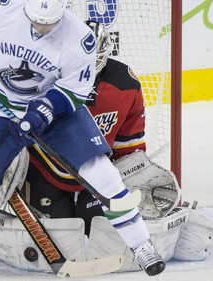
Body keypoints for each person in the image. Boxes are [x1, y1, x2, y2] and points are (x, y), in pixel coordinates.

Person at [0, 0, 165, 280]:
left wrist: (45, 110)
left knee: (102, 174)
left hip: (57, 113)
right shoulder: (7, 7)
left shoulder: (80, 39)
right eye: (35, 20)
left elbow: (73, 92)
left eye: (49, 23)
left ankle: (142, 246)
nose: (41, 27)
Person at [23, 20, 147, 236]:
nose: (88, 66)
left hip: (97, 178)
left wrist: (132, 176)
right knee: (60, 234)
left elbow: (129, 144)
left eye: (95, 58)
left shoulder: (125, 84)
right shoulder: (43, 77)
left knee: (97, 232)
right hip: (45, 170)